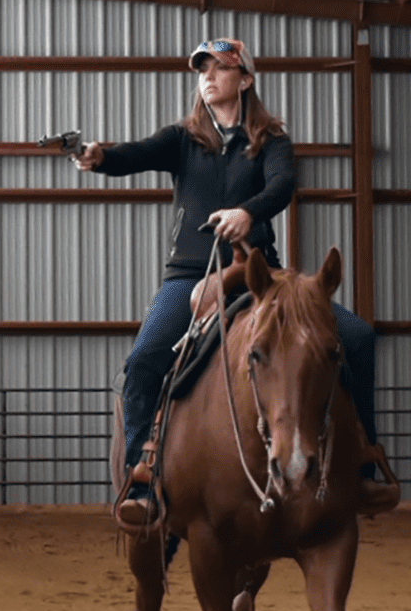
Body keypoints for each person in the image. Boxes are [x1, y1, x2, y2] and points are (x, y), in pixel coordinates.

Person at [73, 37, 399, 526]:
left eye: (218, 69)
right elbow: (131, 155)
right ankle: (140, 478)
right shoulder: (181, 139)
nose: (206, 76)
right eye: (201, 69)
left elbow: (282, 185)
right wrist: (98, 156)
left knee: (355, 335)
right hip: (188, 277)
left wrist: (248, 213)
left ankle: (365, 460)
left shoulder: (271, 142)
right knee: (142, 361)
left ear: (244, 79)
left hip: (258, 274)